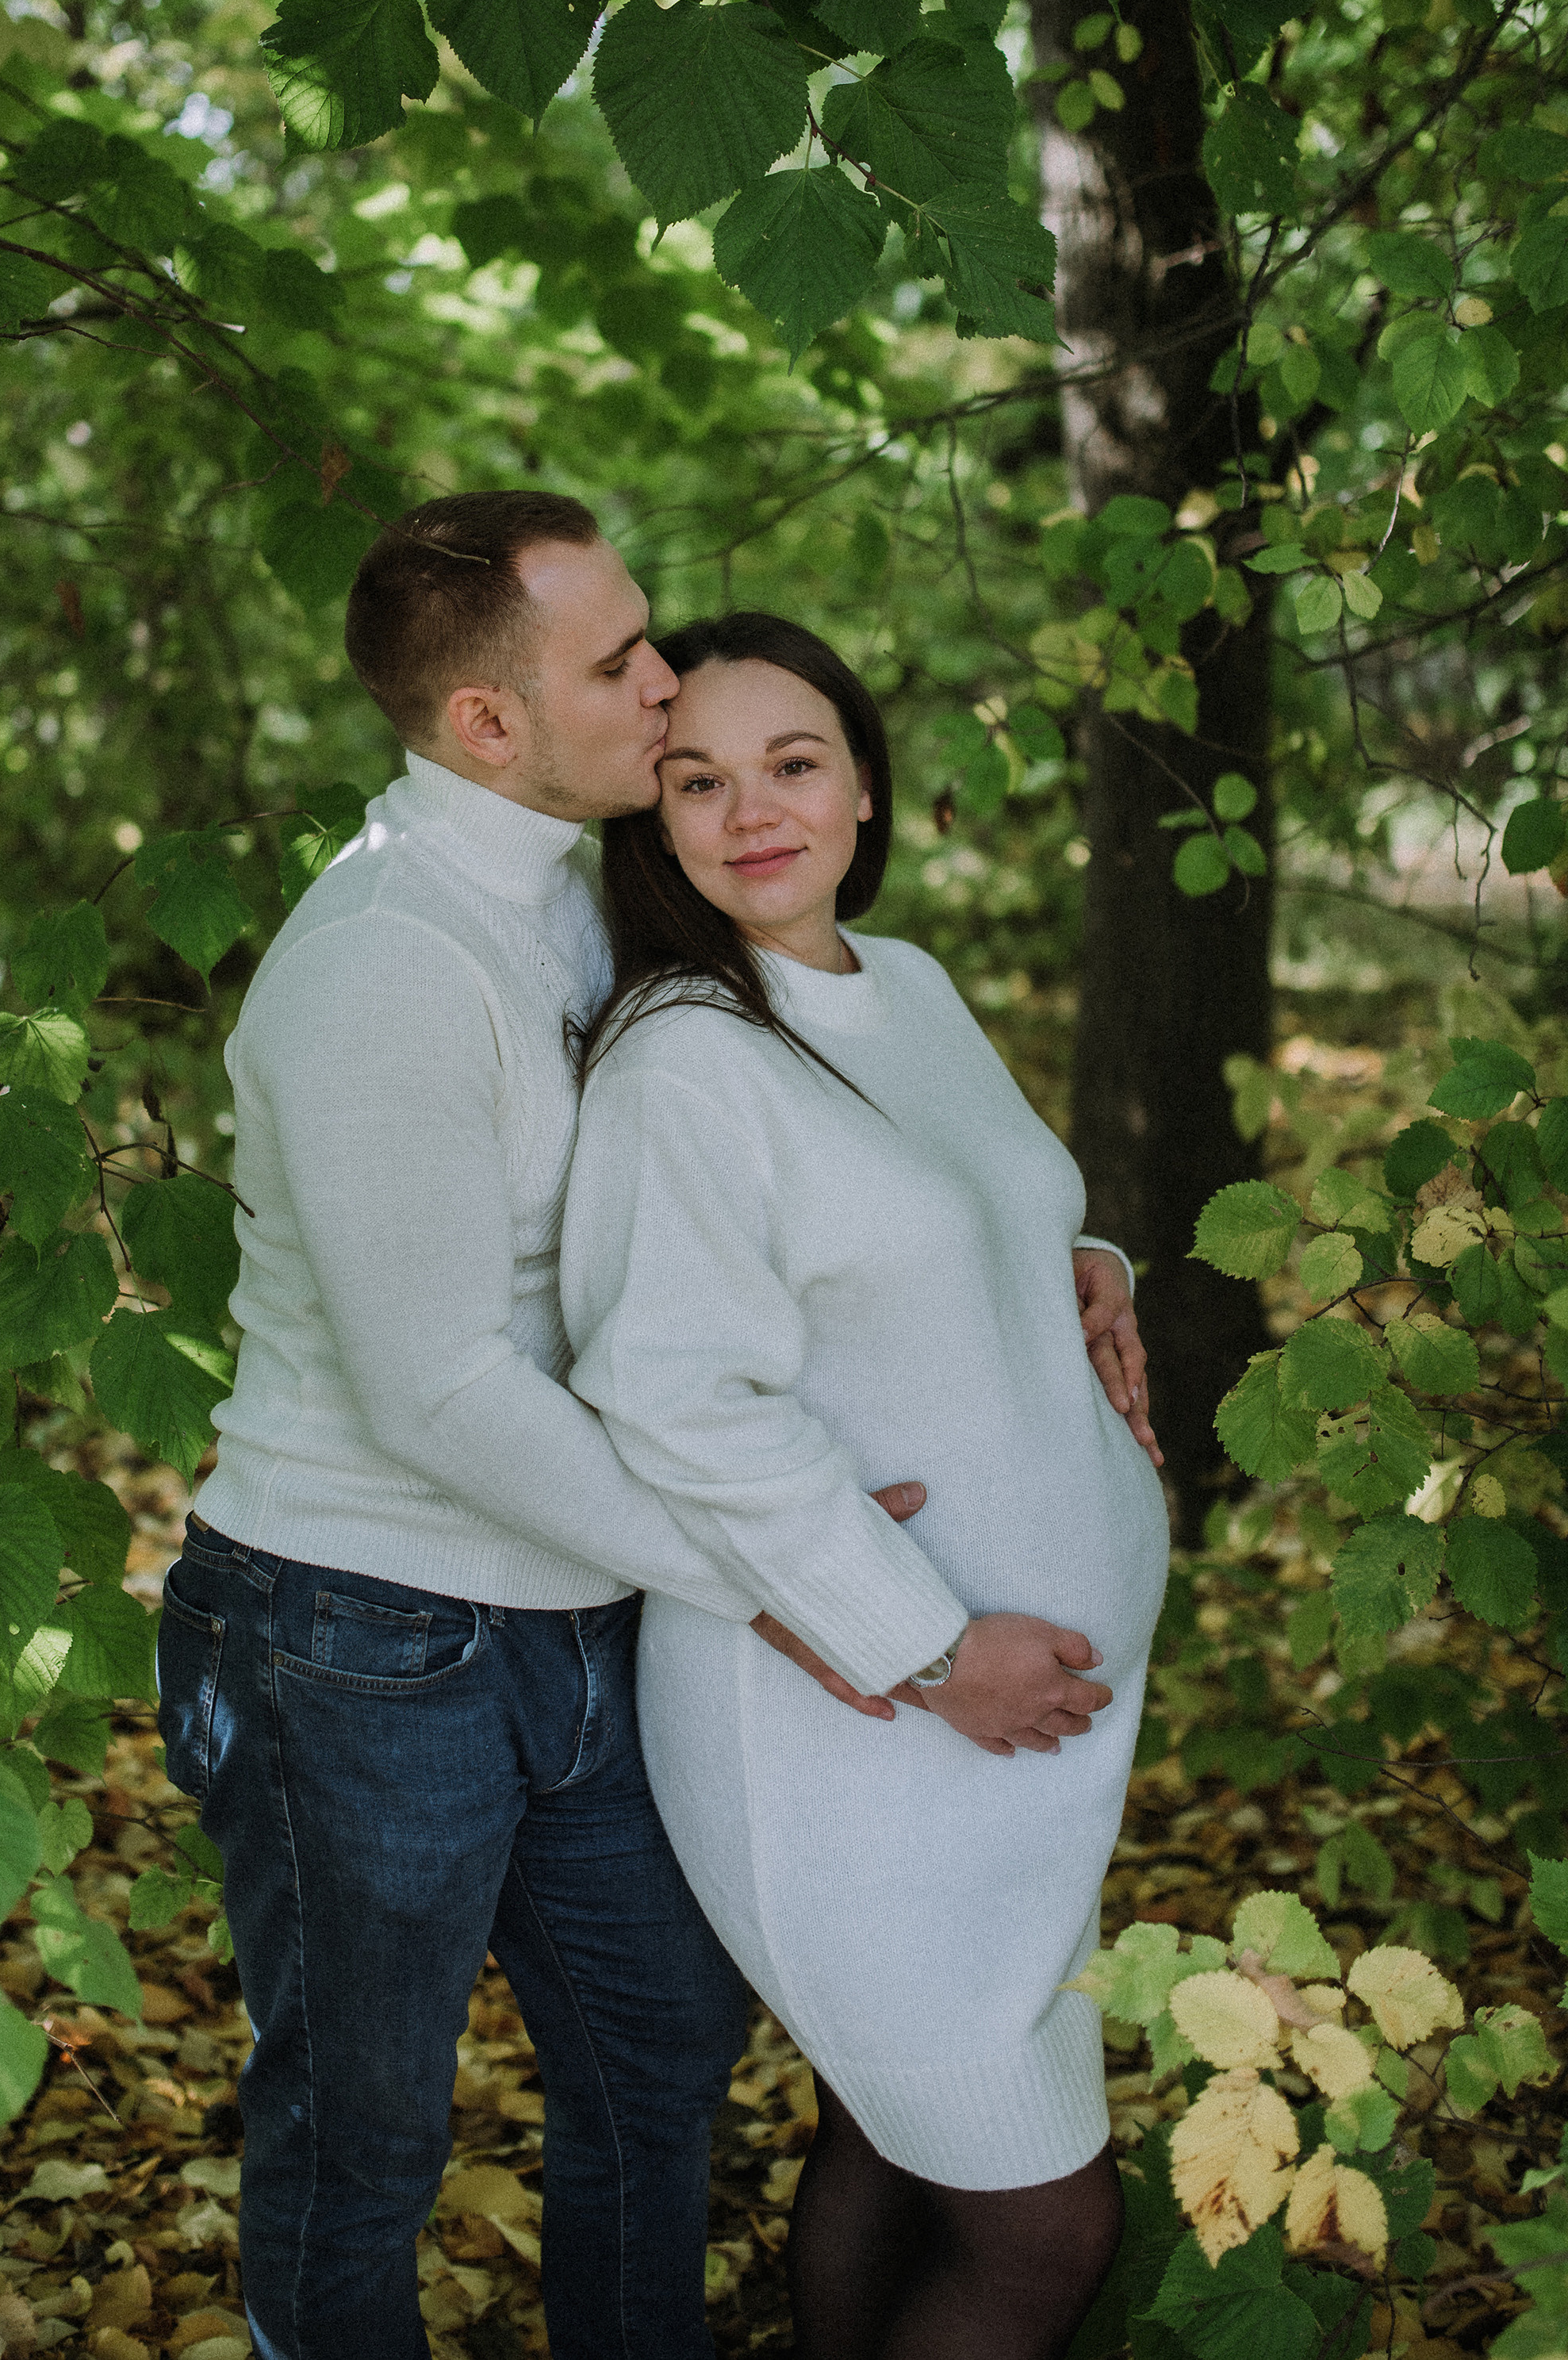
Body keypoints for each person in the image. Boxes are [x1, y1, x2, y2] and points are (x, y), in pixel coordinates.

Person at [158, 497, 1153, 2360]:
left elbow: (836, 1116)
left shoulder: (614, 878)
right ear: (484, 726)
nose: (666, 675)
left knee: (655, 2084)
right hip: (365, 1626)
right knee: (366, 2138)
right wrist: (837, 1602)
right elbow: (440, 1394)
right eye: (621, 664)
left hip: (597, 1600)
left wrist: (1063, 1246)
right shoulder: (386, 958)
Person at [560, 610, 1171, 2360]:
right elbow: (679, 1405)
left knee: (892, 2147)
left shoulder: (903, 985)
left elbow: (963, 1204)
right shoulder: (687, 1054)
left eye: (793, 762)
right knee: (1049, 2230)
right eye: (698, 779)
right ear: (650, 819)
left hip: (1001, 1754)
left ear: (865, 784)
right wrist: (926, 1645)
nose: (753, 811)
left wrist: (1087, 1251)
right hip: (855, 1729)